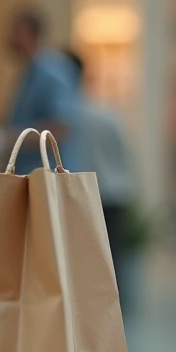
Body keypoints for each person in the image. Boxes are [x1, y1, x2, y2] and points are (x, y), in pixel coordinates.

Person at [64, 50, 137, 313]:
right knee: (112, 254)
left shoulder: (67, 118)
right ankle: (115, 309)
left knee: (82, 256)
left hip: (83, 191)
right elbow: (126, 155)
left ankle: (90, 308)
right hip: (114, 190)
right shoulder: (108, 114)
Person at [5, 7, 80, 173]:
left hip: (48, 177)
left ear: (32, 34)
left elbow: (61, 127)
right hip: (32, 173)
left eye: (16, 32)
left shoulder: (51, 71)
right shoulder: (30, 72)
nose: (10, 38)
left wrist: (10, 138)